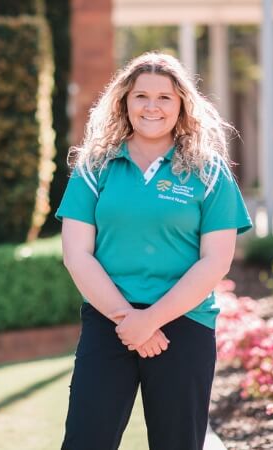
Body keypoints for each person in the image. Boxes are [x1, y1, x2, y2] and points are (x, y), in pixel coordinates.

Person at [55, 52, 253, 450]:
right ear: (123, 102)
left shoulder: (208, 171)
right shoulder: (95, 166)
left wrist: (152, 320)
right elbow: (76, 254)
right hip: (110, 321)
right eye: (141, 95)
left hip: (185, 324)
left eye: (164, 97)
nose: (152, 106)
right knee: (85, 441)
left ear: (181, 104)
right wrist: (129, 320)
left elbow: (216, 260)